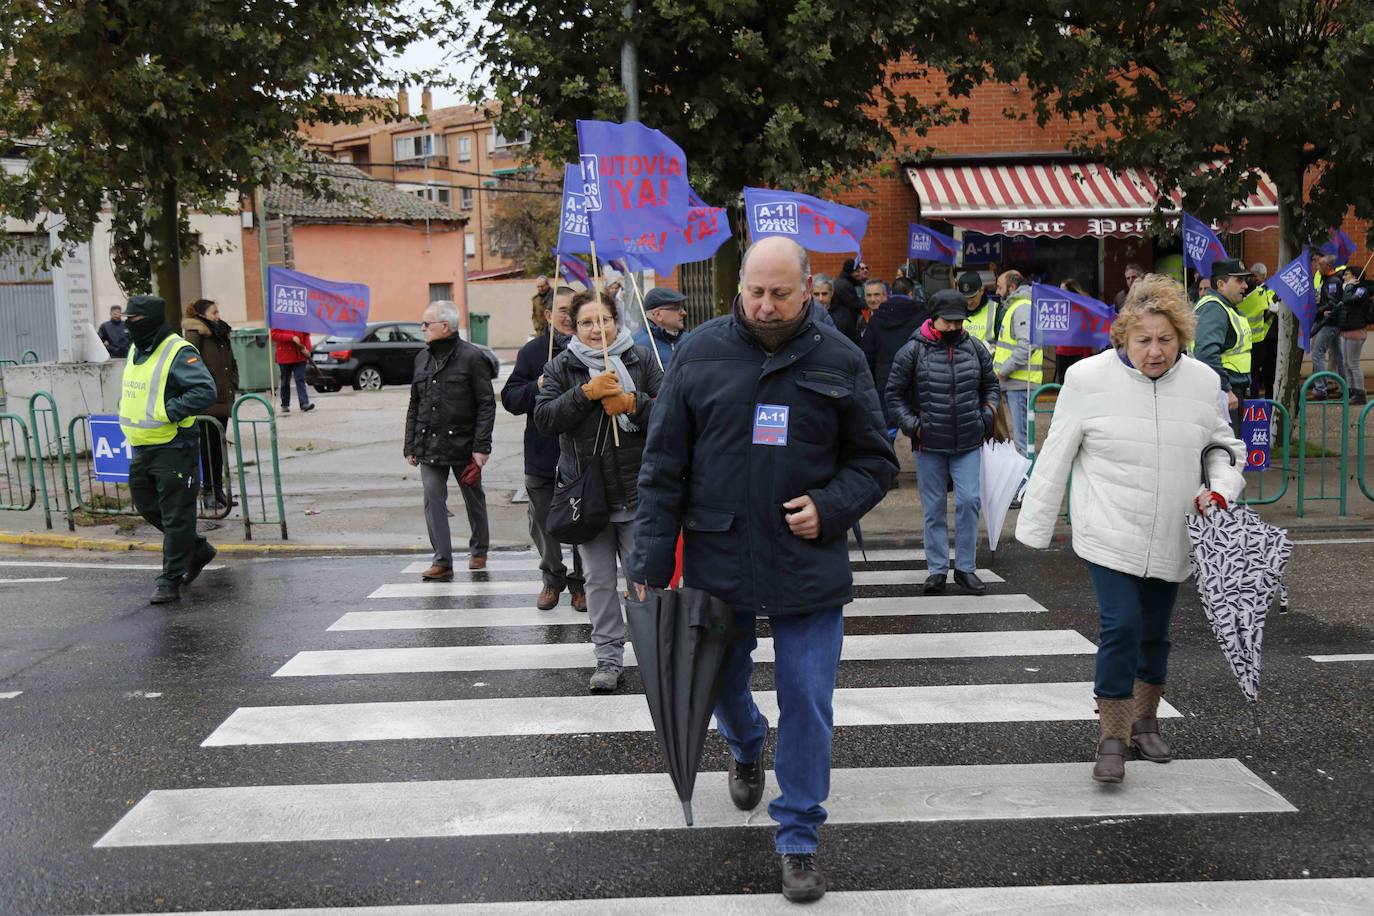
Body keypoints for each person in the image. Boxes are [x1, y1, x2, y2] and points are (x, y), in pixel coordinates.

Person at [628, 237, 897, 903]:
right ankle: (746, 742)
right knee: (719, 684)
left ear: (809, 288)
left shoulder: (839, 355)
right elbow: (663, 465)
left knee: (806, 697)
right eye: (756, 292)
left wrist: (830, 506)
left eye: (781, 292)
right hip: (718, 554)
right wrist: (650, 561)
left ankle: (799, 835)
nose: (767, 305)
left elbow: (876, 460)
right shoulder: (699, 351)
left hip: (805, 559)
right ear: (738, 288)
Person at [1018, 274, 1244, 783]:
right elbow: (1055, 454)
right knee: (1121, 626)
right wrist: (1034, 524)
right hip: (1109, 528)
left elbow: (1224, 449)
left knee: (1156, 634)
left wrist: (1221, 489)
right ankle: (1112, 738)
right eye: (1143, 340)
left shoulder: (1204, 382)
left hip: (1172, 530)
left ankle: (1146, 722)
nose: (1155, 351)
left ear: (1181, 338)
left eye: (1166, 340)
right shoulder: (1086, 379)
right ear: (1123, 337)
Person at [536, 289, 661, 693]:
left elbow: (672, 410)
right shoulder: (561, 367)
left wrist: (631, 403)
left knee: (644, 578)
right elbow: (544, 419)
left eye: (603, 320)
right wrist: (585, 394)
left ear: (616, 321)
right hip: (587, 496)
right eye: (587, 322)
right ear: (575, 326)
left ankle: (656, 653)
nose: (597, 329)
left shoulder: (640, 359)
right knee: (598, 582)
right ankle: (608, 659)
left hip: (637, 489)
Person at [886, 289, 1000, 596]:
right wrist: (915, 426)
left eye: (958, 321)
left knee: (969, 502)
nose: (953, 327)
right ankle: (937, 570)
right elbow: (893, 395)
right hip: (928, 444)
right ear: (933, 318)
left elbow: (991, 385)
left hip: (967, 440)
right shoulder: (912, 350)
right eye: (947, 321)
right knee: (933, 509)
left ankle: (965, 568)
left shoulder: (974, 347)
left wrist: (986, 416)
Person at [117, 294, 219, 604]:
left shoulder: (176, 350)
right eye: (125, 321)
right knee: (146, 505)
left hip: (174, 446)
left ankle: (170, 579)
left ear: (149, 321)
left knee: (177, 516)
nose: (128, 327)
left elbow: (206, 390)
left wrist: (167, 410)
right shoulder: (137, 348)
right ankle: (197, 548)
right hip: (143, 446)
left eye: (133, 321)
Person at [501, 287, 587, 611]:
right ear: (549, 315)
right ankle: (553, 578)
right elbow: (510, 398)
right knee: (542, 521)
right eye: (562, 310)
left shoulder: (591, 350)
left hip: (581, 455)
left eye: (574, 309)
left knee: (583, 521)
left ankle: (581, 584)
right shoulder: (533, 352)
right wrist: (536, 385)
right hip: (541, 453)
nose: (569, 316)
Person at [404, 300, 495, 581]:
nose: (421, 329)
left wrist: (481, 448)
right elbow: (414, 403)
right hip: (428, 443)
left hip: (465, 445)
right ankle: (442, 561)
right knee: (433, 498)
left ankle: (479, 548)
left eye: (426, 324)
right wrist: (410, 445)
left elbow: (486, 404)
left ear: (445, 326)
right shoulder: (422, 358)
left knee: (473, 497)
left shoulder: (472, 357)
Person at [181, 299, 239, 511]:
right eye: (214, 312)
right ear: (202, 315)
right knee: (207, 448)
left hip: (223, 398)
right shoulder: (195, 334)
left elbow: (231, 362)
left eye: (218, 311)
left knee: (218, 447)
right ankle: (207, 492)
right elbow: (190, 365)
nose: (218, 315)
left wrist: (233, 381)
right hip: (206, 402)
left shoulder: (221, 333)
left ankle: (219, 490)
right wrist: (202, 388)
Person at [860, 276, 927, 440]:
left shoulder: (876, 319)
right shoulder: (923, 315)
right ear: (911, 294)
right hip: (916, 380)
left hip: (885, 382)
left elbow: (867, 355)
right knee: (916, 429)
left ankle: (890, 463)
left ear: (888, 295)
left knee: (888, 429)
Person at [1191, 259, 1253, 430]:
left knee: (1229, 450)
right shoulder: (1215, 308)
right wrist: (1226, 389)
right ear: (1220, 284)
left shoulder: (1225, 307)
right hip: (1222, 394)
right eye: (1239, 281)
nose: (1245, 286)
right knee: (1226, 451)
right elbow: (1206, 352)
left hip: (1228, 391)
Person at [992, 270, 1041, 456]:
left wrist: (1002, 371)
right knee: (1022, 440)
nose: (997, 292)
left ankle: (1029, 483)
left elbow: (1027, 346)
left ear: (1012, 287)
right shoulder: (1017, 306)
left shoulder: (1022, 307)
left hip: (1020, 384)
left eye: (1000, 287)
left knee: (1023, 443)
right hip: (1017, 383)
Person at [1310, 254, 1348, 400]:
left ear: (1328, 266)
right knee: (1338, 355)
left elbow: (1332, 302)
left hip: (1329, 323)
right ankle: (1345, 385)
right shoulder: (1327, 280)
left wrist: (1318, 310)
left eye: (1320, 264)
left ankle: (1321, 388)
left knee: (1317, 353)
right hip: (1330, 322)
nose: (1317, 267)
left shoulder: (1332, 281)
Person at [1240, 263, 1279, 400]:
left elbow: (1270, 311)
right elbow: (1268, 311)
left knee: (1257, 375)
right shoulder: (1258, 292)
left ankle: (1259, 403)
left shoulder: (1260, 291)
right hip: (1259, 338)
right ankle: (1259, 404)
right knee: (1257, 375)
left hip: (1261, 338)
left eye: (1254, 276)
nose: (1251, 279)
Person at [631, 287, 688, 371]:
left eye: (682, 308)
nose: (684, 313)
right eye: (677, 308)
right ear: (658, 315)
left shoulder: (690, 340)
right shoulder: (636, 346)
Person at [1054, 278, 1097, 383]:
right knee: (1063, 386)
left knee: (1078, 384)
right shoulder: (1058, 308)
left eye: (1063, 291)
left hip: (1079, 353)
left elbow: (1087, 334)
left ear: (1072, 293)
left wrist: (1086, 355)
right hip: (1061, 352)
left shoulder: (1083, 309)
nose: (1060, 294)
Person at [1336, 268, 1369, 405]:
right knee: (1345, 364)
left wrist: (1349, 287)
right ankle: (1349, 390)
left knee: (1353, 363)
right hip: (1345, 330)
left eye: (1347, 274)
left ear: (1355, 276)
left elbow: (1348, 300)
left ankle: (1360, 393)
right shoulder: (1347, 289)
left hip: (1356, 331)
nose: (1344, 276)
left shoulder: (1361, 290)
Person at [270, 327, 314, 413]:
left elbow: (306, 336)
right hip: (284, 356)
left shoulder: (299, 319)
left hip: (300, 356)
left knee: (300, 379)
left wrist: (308, 350)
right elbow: (273, 335)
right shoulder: (278, 319)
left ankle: (304, 403)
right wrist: (291, 337)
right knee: (285, 381)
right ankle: (285, 404)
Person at [958, 270, 997, 352]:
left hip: (986, 362)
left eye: (972, 297)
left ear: (981, 290)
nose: (969, 302)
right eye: (965, 298)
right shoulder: (954, 311)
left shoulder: (997, 310)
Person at [828, 258, 865, 343]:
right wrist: (868, 303)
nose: (859, 274)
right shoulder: (845, 285)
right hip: (845, 322)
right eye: (857, 271)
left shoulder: (845, 282)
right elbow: (854, 303)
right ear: (850, 271)